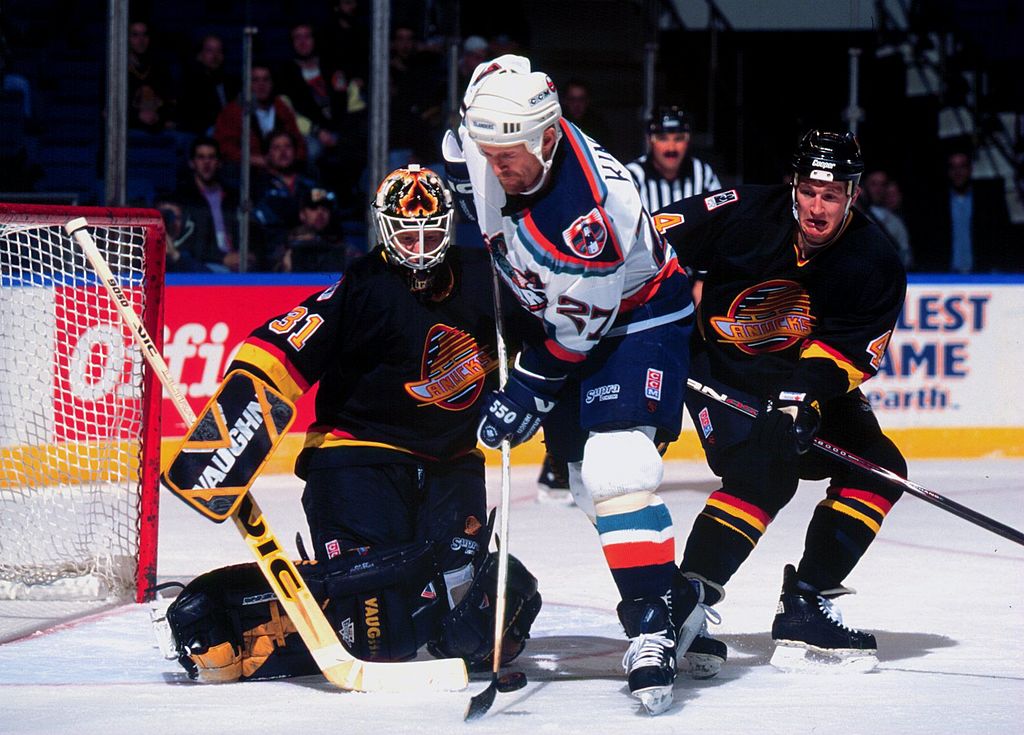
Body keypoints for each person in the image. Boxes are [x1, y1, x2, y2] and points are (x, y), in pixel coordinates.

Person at [162, 165, 541, 682]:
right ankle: (231, 613)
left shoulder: (487, 282)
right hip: (358, 458)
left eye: (432, 232)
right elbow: (278, 347)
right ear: (385, 230)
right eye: (408, 234)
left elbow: (557, 337)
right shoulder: (363, 286)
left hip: (453, 462)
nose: (421, 246)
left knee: (478, 627)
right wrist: (232, 429)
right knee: (377, 635)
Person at [445, 56, 703, 715]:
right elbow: (493, 75)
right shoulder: (501, 133)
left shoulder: (589, 218)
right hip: (563, 312)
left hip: (636, 317)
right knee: (588, 484)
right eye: (489, 153)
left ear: (550, 139)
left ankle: (652, 626)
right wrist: (463, 163)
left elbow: (576, 335)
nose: (497, 167)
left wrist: (527, 390)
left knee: (619, 468)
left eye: (510, 158)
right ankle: (679, 594)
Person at [656, 130, 908, 670]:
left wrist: (801, 397)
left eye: (832, 195)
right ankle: (685, 603)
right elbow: (651, 240)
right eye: (810, 191)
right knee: (763, 475)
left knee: (880, 470)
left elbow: (850, 350)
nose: (817, 208)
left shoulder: (874, 258)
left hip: (807, 378)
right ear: (793, 185)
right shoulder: (742, 210)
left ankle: (807, 602)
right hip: (726, 374)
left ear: (853, 195)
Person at [914, 149, 1016, 273]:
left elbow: (1001, 238)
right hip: (946, 276)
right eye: (953, 167)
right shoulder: (935, 204)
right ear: (948, 171)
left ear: (970, 169)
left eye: (962, 166)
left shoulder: (988, 202)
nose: (958, 172)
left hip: (982, 275)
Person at [171, 136, 253, 272]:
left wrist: (249, 255)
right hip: (206, 263)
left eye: (211, 157)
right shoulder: (183, 198)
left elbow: (249, 232)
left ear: (219, 162)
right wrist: (221, 258)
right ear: (192, 163)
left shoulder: (234, 197)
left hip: (240, 261)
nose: (206, 163)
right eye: (201, 157)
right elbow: (188, 243)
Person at [214, 64, 307, 173]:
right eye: (255, 80)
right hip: (248, 169)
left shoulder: (281, 107)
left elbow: (298, 142)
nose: (261, 85)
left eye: (266, 80)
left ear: (272, 83)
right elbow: (224, 148)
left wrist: (288, 157)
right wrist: (253, 159)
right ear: (247, 84)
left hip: (282, 168)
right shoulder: (234, 111)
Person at [626, 106, 721, 213]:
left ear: (688, 140)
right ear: (649, 140)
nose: (671, 148)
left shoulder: (702, 173)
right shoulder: (632, 176)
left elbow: (718, 218)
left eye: (679, 139)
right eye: (663, 139)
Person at [252, 130, 318, 259]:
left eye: (287, 146)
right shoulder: (258, 186)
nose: (283, 152)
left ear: (295, 151)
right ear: (267, 154)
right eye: (276, 147)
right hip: (272, 249)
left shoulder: (309, 184)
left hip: (309, 244)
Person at [281, 187, 362, 273]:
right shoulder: (287, 244)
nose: (320, 212)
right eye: (313, 207)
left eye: (325, 208)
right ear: (302, 214)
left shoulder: (341, 247)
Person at [177, 34, 238, 135]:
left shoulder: (232, 83)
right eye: (210, 50)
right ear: (199, 56)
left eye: (219, 51)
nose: (215, 55)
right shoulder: (191, 83)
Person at [860, 168, 912, 269]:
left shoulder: (895, 222)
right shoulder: (852, 218)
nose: (878, 189)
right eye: (873, 184)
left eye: (882, 184)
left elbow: (906, 258)